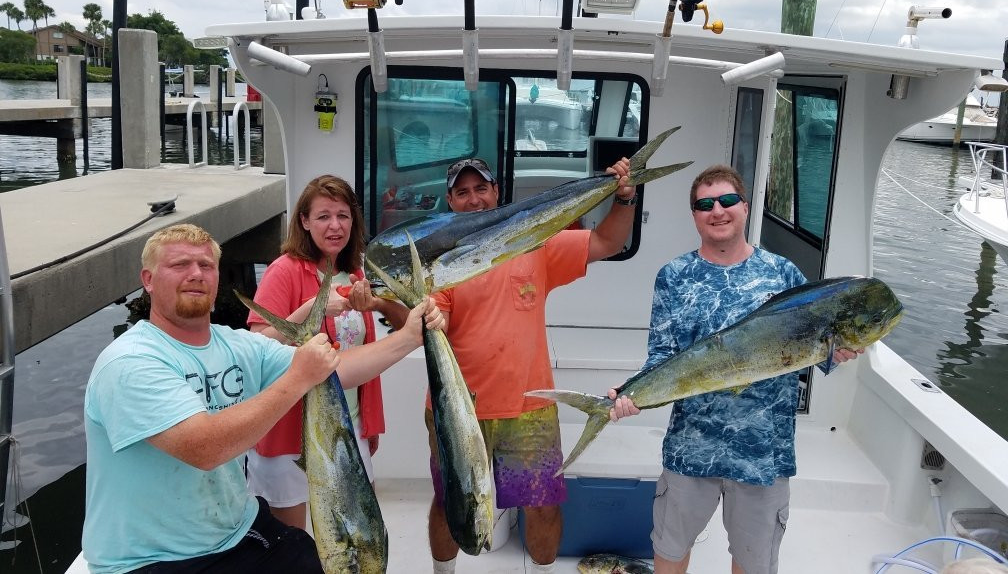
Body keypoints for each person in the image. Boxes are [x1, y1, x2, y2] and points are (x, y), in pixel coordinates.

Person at [81, 223, 444, 573]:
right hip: (152, 559)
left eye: (206, 265)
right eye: (180, 265)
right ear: (148, 280)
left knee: (309, 557)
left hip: (236, 534)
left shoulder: (234, 345)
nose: (196, 274)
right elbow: (204, 448)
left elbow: (337, 371)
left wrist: (410, 337)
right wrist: (298, 379)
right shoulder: (131, 361)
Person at [608, 164, 861, 574]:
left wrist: (838, 351)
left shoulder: (784, 274)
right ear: (694, 215)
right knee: (670, 551)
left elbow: (813, 348)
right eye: (705, 204)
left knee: (753, 562)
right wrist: (633, 390)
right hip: (691, 447)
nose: (717, 211)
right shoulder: (674, 277)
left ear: (744, 207)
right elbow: (662, 354)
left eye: (727, 200)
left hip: (763, 453)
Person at [428, 154, 638, 573]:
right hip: (458, 410)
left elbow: (607, 243)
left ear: (496, 192)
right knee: (451, 505)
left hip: (530, 406)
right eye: (463, 193)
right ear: (451, 202)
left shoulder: (534, 242)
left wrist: (625, 199)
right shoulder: (441, 258)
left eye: (481, 189)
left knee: (542, 508)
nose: (474, 200)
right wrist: (431, 317)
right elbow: (440, 316)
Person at [246, 174, 412, 528]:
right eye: (323, 216)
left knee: (350, 534)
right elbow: (256, 348)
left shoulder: (354, 272)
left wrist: (379, 303)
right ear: (304, 222)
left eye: (343, 216)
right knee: (295, 547)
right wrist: (309, 310)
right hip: (291, 437)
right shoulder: (283, 271)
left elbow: (397, 331)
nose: (335, 225)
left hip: (350, 431)